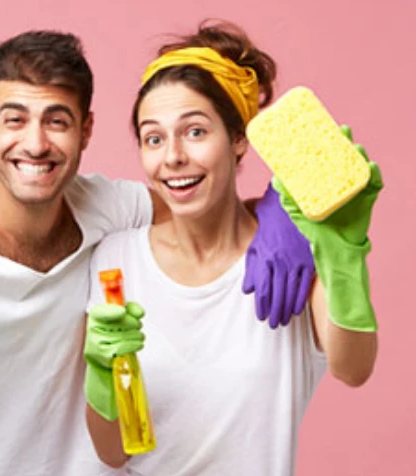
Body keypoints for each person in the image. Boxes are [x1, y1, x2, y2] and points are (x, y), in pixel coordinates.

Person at [0, 30, 314, 475]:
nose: (35, 144)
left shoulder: (111, 208)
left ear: (86, 129)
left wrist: (280, 212)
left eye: (56, 121)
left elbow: (202, 201)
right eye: (14, 119)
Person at [83, 20, 382, 475]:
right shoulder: (115, 261)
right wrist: (102, 379)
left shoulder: (295, 263)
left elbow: (353, 368)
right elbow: (113, 452)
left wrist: (341, 251)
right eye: (153, 138)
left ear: (240, 140)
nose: (173, 157)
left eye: (196, 132)